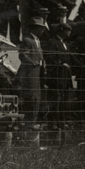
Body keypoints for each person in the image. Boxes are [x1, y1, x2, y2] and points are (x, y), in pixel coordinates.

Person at [17, 16, 48, 145]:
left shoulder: (37, 41)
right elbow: (22, 55)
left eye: (42, 28)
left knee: (37, 99)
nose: (42, 31)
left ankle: (32, 124)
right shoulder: (28, 40)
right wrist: (33, 63)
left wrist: (42, 63)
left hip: (37, 76)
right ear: (35, 28)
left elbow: (40, 56)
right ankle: (28, 127)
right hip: (30, 76)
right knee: (31, 99)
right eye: (40, 28)